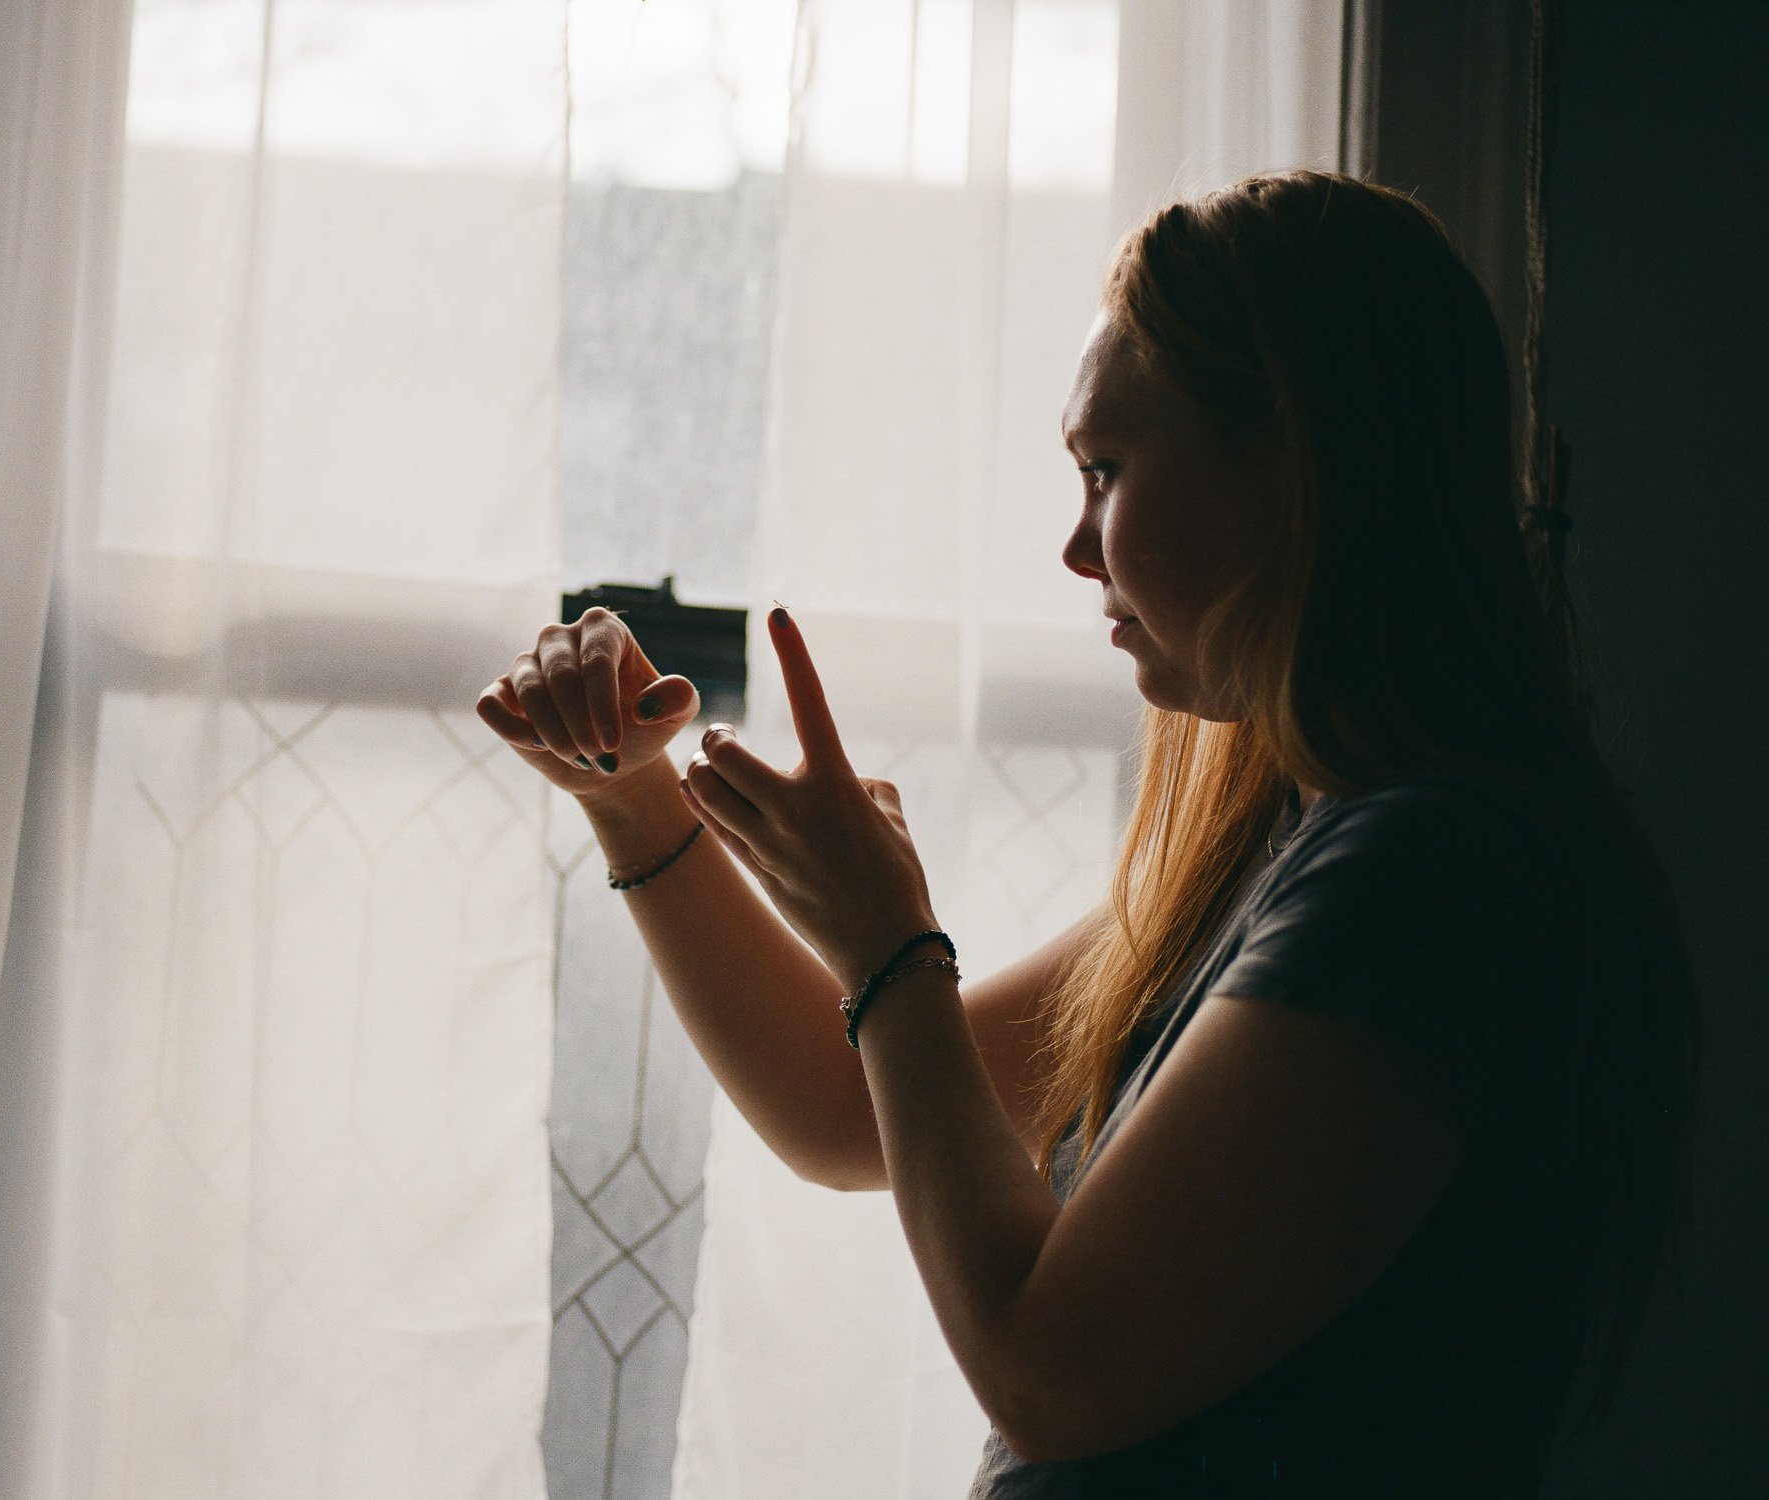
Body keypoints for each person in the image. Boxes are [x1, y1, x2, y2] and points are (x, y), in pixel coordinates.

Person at [475, 170, 1698, 1496]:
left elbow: (1049, 1373)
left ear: (1297, 460)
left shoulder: (1431, 882)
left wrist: (888, 944)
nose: (1074, 547)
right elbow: (846, 1117)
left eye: (1107, 470)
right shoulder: (1293, 853)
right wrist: (630, 800)